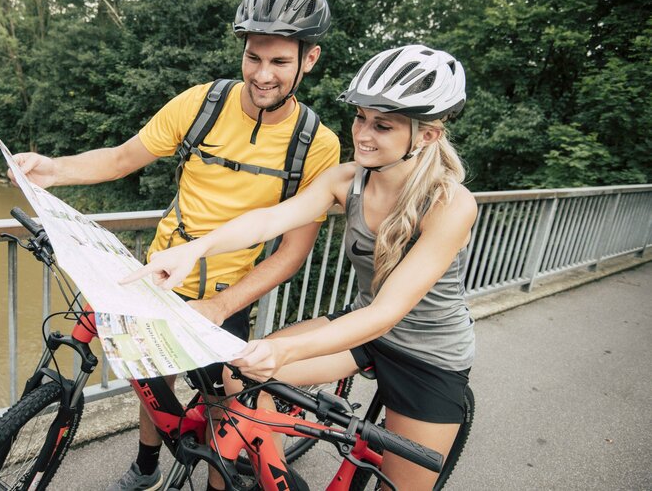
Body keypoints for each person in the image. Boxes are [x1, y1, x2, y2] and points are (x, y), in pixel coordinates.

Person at [9, 0, 341, 491]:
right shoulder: (202, 104)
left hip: (229, 295)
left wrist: (223, 305)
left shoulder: (315, 144)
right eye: (254, 57)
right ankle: (146, 465)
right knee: (152, 382)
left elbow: (292, 254)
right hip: (161, 273)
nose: (262, 75)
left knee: (221, 413)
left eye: (279, 62)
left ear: (309, 59)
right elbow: (122, 158)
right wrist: (52, 169)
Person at [123, 44, 476, 490]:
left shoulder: (450, 204)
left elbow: (387, 312)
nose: (363, 135)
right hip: (361, 328)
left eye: (382, 125)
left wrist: (285, 352)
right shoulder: (348, 178)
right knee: (240, 373)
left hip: (426, 354)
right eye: (361, 118)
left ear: (426, 135)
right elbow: (270, 219)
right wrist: (194, 250)